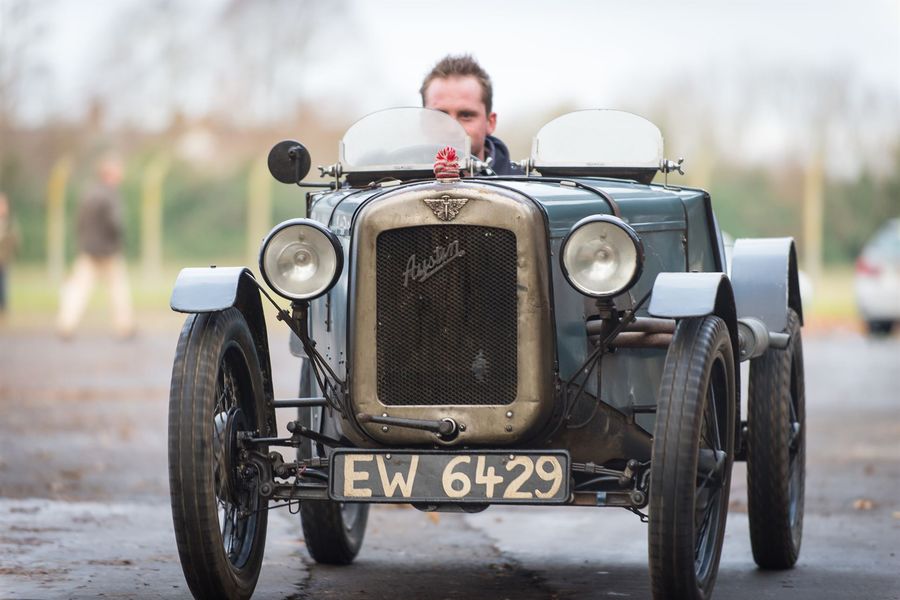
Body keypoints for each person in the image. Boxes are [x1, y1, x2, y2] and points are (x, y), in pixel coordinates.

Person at [57, 154, 135, 339]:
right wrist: (119, 240)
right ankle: (125, 326)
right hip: (109, 251)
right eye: (118, 171)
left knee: (78, 289)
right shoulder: (111, 195)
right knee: (118, 290)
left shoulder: (88, 193)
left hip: (88, 250)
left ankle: (66, 324)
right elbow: (115, 223)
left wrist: (84, 242)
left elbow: (79, 222)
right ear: (110, 174)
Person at [420, 54, 520, 175]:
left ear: (490, 122)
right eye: (440, 116)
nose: (452, 129)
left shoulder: (524, 185)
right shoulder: (400, 180)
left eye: (466, 115)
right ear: (422, 122)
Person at [0, 191, 20, 317]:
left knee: (3, 284)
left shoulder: (10, 222)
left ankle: (4, 310)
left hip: (3, 258)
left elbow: (15, 239)